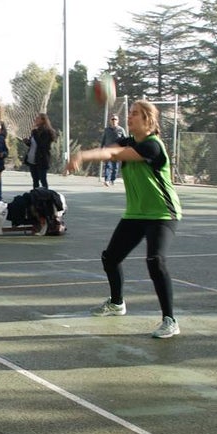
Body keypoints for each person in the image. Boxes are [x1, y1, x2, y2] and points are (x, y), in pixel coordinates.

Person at [67, 100, 182, 339]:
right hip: (136, 213)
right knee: (111, 257)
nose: (130, 117)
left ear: (148, 120)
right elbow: (110, 151)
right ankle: (117, 303)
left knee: (155, 260)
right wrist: (82, 155)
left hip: (162, 213)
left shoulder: (153, 146)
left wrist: (83, 155)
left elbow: (118, 153)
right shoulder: (128, 141)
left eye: (135, 114)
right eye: (129, 114)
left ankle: (170, 319)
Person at [24, 113, 57, 190]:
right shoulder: (35, 131)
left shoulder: (47, 132)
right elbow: (34, 144)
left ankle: (46, 196)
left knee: (43, 180)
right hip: (32, 159)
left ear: (43, 120)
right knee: (35, 180)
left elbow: (42, 145)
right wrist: (27, 142)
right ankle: (36, 197)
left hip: (41, 159)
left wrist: (35, 135)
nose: (35, 120)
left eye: (38, 118)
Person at [99, 114, 127, 186]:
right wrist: (101, 149)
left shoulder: (121, 129)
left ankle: (112, 180)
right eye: (112, 119)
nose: (114, 121)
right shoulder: (107, 130)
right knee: (108, 165)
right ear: (110, 121)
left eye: (115, 119)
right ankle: (107, 180)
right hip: (108, 150)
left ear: (118, 121)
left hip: (117, 151)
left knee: (115, 167)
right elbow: (103, 139)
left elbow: (125, 139)